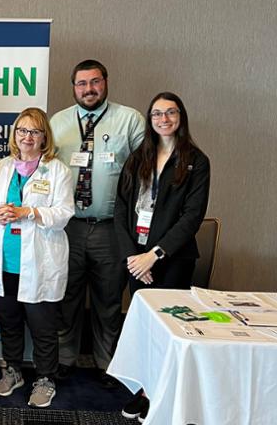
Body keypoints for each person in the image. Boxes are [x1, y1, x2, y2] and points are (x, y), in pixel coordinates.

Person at [114, 92, 210, 422]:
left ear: (181, 117)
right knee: (144, 330)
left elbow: (192, 217)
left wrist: (153, 256)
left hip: (172, 260)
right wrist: (132, 257)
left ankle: (162, 396)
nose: (164, 119)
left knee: (169, 331)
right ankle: (144, 391)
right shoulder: (137, 157)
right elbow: (120, 210)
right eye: (157, 113)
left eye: (170, 112)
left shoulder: (196, 161)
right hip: (135, 259)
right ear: (149, 119)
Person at [50, 60, 145, 386]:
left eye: (94, 82)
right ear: (73, 86)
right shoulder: (58, 122)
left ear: (105, 82)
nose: (88, 89)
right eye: (81, 83)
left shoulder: (130, 120)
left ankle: (109, 364)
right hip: (68, 227)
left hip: (110, 228)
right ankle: (64, 359)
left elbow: (145, 175)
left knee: (108, 300)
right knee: (67, 297)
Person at [0, 108, 75, 408]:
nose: (27, 137)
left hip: (40, 262)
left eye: (34, 132)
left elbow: (63, 213)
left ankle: (45, 378)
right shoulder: (2, 167)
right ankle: (13, 371)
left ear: (44, 136)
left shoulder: (57, 170)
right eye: (22, 130)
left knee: (42, 325)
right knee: (9, 321)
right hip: (6, 259)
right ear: (14, 135)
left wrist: (29, 212)